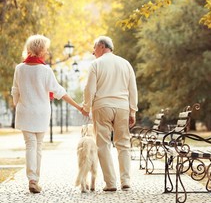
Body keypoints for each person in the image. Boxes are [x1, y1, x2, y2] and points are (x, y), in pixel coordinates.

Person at [11, 34, 83, 193]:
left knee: (30, 145)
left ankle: (32, 179)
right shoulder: (45, 70)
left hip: (25, 112)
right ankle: (35, 179)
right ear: (42, 50)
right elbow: (60, 92)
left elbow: (15, 91)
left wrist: (18, 105)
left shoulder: (19, 68)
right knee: (38, 147)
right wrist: (79, 107)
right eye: (46, 49)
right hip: (41, 113)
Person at [81, 36, 138, 192]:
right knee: (123, 144)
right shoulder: (125, 64)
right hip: (122, 107)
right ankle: (125, 181)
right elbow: (133, 89)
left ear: (101, 46)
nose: (93, 52)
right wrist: (133, 110)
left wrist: (86, 106)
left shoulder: (96, 64)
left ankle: (111, 183)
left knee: (103, 145)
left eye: (94, 48)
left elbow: (89, 89)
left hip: (102, 107)